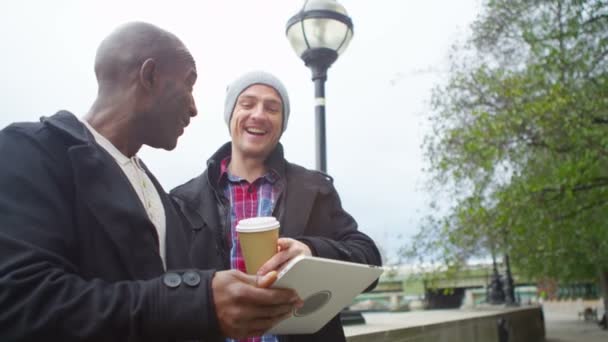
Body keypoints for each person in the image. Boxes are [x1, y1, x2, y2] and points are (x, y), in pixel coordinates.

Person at [0, 23, 301, 342]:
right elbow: (19, 304)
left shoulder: (163, 197)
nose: (194, 108)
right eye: (189, 84)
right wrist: (198, 302)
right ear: (150, 76)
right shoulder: (31, 151)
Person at [171, 71, 383, 342]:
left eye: (272, 108)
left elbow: (369, 259)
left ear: (282, 124)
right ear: (230, 115)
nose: (258, 114)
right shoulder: (182, 201)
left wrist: (311, 250)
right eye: (247, 104)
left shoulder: (315, 189)